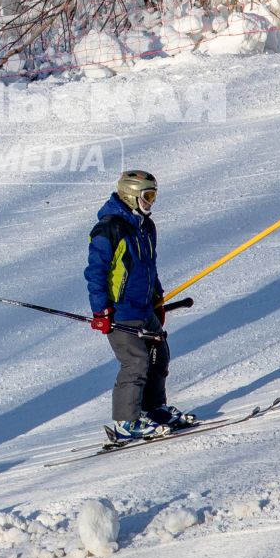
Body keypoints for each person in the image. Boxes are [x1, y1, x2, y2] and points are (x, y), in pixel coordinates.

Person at [84, 169, 193, 444]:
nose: (151, 202)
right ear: (131, 195)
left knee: (159, 356)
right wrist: (101, 311)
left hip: (144, 308)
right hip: (121, 311)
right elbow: (95, 273)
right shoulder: (109, 229)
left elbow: (148, 267)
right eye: (148, 196)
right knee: (135, 362)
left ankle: (153, 410)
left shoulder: (146, 227)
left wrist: (158, 299)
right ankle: (125, 421)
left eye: (154, 195)